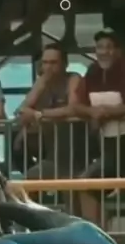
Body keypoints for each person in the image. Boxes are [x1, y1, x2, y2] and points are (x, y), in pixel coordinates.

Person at [74, 29, 125, 226]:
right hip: (108, 146)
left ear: (118, 51)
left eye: (109, 47)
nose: (104, 52)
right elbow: (76, 105)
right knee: (86, 184)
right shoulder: (92, 71)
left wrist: (106, 112)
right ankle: (97, 232)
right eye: (100, 47)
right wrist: (92, 112)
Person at [13, 42, 83, 175]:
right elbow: (22, 109)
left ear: (65, 64)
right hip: (47, 138)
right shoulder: (42, 81)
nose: (48, 67)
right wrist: (40, 86)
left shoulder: (73, 79)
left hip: (71, 140)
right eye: (45, 63)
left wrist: (39, 114)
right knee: (17, 144)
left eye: (53, 63)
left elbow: (72, 109)